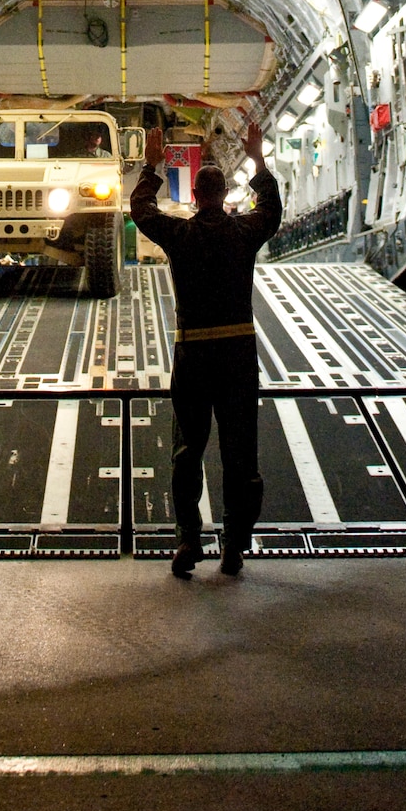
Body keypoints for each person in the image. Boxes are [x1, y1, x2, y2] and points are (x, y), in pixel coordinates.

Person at [130, 120, 281, 578]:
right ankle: (234, 545)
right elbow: (272, 209)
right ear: (224, 197)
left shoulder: (182, 236)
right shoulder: (243, 234)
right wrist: (256, 157)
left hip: (193, 357)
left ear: (195, 197)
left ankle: (187, 541)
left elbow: (141, 210)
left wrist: (152, 165)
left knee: (186, 453)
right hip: (237, 357)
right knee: (241, 456)